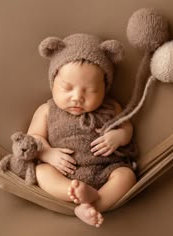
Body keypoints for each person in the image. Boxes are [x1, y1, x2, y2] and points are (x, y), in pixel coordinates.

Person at [27, 33, 137, 227]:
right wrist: (48, 154)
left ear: (105, 88)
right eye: (67, 88)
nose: (77, 97)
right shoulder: (46, 110)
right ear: (53, 82)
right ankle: (75, 191)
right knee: (42, 171)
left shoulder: (112, 107)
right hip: (65, 174)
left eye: (91, 90)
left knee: (126, 176)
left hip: (106, 170)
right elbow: (33, 139)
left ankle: (94, 204)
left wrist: (118, 136)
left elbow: (127, 128)